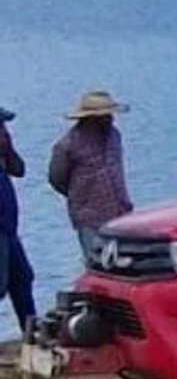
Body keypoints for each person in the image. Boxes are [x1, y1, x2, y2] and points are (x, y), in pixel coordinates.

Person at [49, 91, 133, 261]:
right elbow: (56, 179)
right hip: (90, 218)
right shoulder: (68, 145)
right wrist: (81, 197)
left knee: (125, 264)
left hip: (120, 212)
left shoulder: (114, 136)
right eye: (104, 116)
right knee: (98, 264)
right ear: (90, 118)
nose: (110, 118)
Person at [0, 106, 35, 330]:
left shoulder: (3, 156)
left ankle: (30, 331)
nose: (4, 131)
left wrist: (8, 148)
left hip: (9, 230)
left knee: (23, 278)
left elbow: (20, 169)